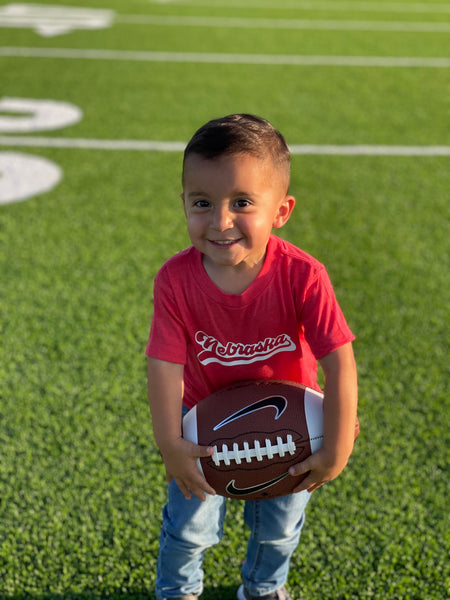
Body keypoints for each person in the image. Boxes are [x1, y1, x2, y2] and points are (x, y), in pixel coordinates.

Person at [146, 114, 358, 600]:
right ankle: (177, 591)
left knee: (279, 528)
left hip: (295, 428)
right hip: (200, 425)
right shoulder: (175, 280)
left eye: (242, 203)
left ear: (281, 210)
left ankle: (263, 590)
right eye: (202, 203)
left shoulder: (304, 275)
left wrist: (338, 445)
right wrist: (171, 443)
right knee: (188, 528)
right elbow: (164, 365)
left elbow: (339, 362)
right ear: (184, 204)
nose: (220, 221)